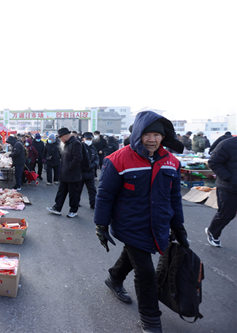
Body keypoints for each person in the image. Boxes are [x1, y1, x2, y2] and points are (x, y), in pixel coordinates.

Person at [94, 111, 187, 333]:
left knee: (135, 256)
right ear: (138, 135)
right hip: (130, 224)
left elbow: (174, 197)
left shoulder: (171, 162)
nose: (152, 139)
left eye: (157, 134)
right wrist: (101, 225)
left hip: (159, 225)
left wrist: (178, 227)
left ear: (163, 137)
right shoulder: (118, 159)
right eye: (147, 134)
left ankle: (114, 278)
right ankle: (151, 319)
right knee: (145, 271)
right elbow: (105, 195)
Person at [205, 136, 237, 247]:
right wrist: (229, 178)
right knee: (226, 214)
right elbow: (213, 162)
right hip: (229, 187)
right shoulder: (227, 144)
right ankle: (212, 231)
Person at [46, 128, 83, 218]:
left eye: (61, 137)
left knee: (73, 193)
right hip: (64, 173)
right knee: (61, 191)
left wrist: (70, 167)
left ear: (66, 135)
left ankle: (73, 210)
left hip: (72, 174)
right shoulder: (66, 143)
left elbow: (78, 158)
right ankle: (57, 208)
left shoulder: (75, 143)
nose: (60, 139)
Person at [76, 132, 99, 209]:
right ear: (83, 139)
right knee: (78, 189)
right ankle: (76, 203)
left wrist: (93, 165)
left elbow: (96, 158)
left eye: (90, 139)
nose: (89, 140)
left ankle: (93, 204)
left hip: (90, 173)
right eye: (87, 139)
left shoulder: (93, 148)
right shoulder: (80, 148)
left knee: (92, 190)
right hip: (81, 173)